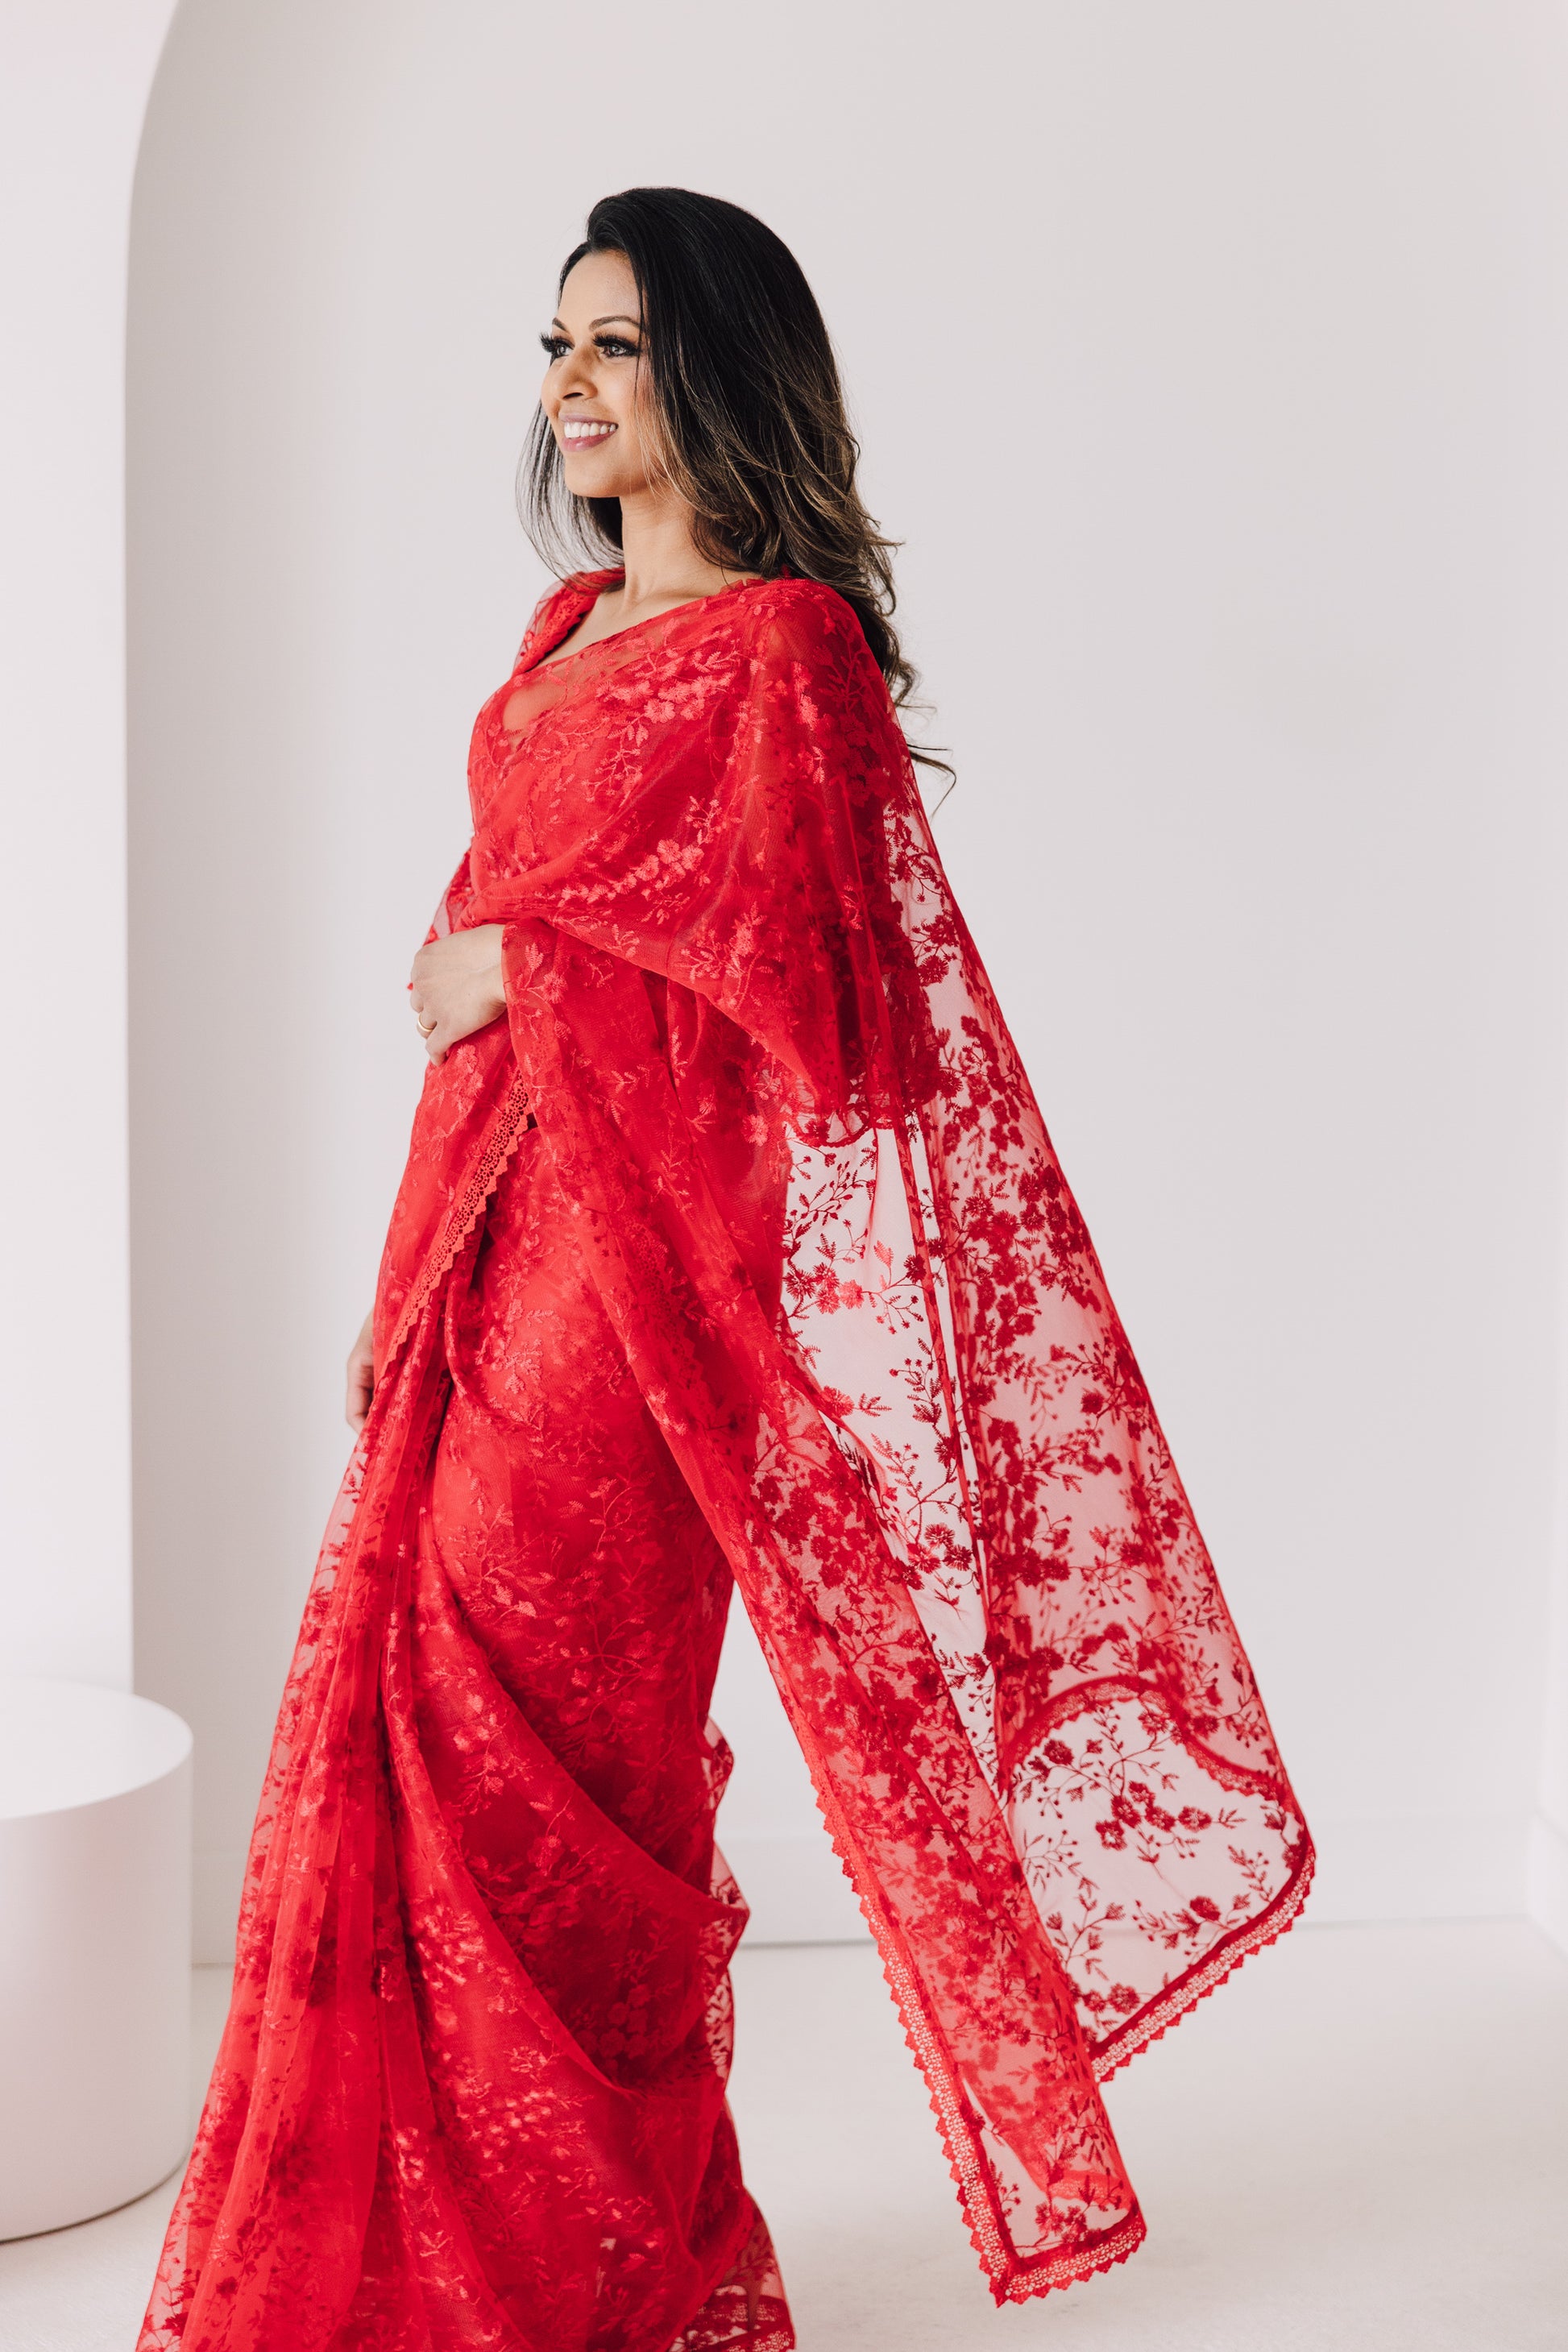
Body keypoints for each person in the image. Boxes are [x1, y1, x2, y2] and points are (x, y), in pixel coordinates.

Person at [139, 187, 1313, 2352]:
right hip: (482, 1254)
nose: (568, 389)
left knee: (546, 1774)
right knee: (424, 1742)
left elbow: (835, 1017)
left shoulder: (782, 648)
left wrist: (531, 969)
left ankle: (586, 2279)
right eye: (553, 346)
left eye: (614, 346)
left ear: (716, 365)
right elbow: (469, 989)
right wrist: (403, 1278)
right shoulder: (555, 636)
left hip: (639, 1302)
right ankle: (439, 2262)